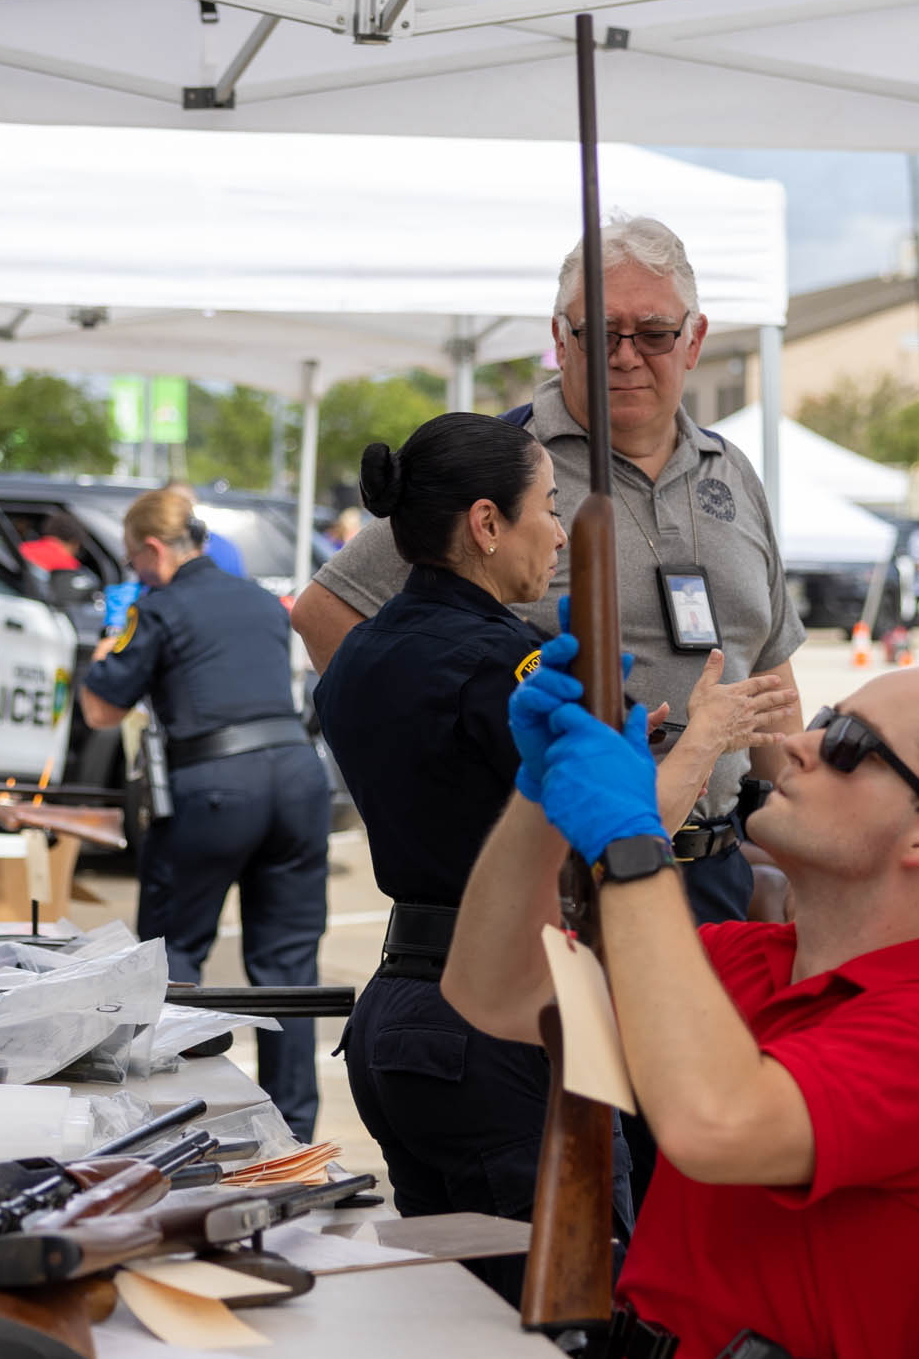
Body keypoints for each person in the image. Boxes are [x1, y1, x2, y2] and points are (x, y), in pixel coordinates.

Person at [443, 646, 919, 1359]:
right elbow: (493, 991)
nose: (801, 741)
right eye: (828, 720)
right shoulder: (745, 960)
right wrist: (539, 797)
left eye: (847, 744)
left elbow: (713, 1123)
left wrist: (632, 844)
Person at [313, 413, 763, 1270]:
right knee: (573, 1311)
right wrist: (707, 735)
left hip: (401, 1006)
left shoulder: (362, 649)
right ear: (486, 524)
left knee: (454, 1316)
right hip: (504, 1023)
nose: (559, 534)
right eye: (548, 508)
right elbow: (628, 841)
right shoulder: (505, 664)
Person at [292, 217, 804, 925]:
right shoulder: (503, 464)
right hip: (563, 889)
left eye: (652, 332)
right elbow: (325, 610)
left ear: (695, 338)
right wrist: (441, 791)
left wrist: (799, 834)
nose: (625, 355)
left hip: (716, 872)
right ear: (560, 338)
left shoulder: (733, 473)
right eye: (599, 332)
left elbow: (771, 669)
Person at [79, 485, 330, 1139]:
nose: (136, 574)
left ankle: (176, 1123)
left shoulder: (157, 607)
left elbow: (101, 709)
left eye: (135, 562)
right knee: (287, 972)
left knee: (174, 960)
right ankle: (291, 1134)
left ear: (155, 550)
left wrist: (105, 652)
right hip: (300, 783)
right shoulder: (261, 601)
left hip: (216, 787)